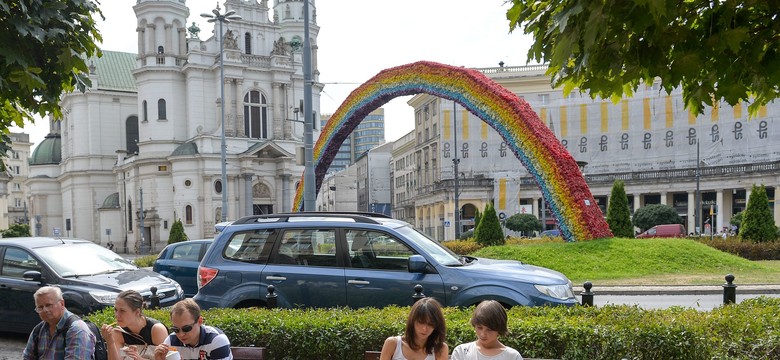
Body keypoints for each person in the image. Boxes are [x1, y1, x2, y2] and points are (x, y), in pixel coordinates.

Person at [22, 286, 97, 359]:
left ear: (62, 304)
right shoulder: (38, 330)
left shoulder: (77, 330)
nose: (45, 310)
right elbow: (27, 357)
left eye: (48, 305)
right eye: (40, 307)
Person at [153, 299, 232, 360]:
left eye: (186, 328)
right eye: (176, 329)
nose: (181, 334)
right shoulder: (171, 341)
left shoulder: (216, 340)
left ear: (200, 321)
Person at [100, 290, 168, 359]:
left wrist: (139, 358)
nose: (117, 315)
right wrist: (110, 342)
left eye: (122, 311)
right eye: (116, 310)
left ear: (137, 312)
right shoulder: (118, 332)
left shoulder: (157, 330)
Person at [379, 297, 448, 360]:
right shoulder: (393, 343)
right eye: (421, 322)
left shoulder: (440, 349)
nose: (424, 328)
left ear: (437, 325)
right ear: (412, 321)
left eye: (430, 324)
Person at [451, 300, 523, 360]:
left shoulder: (512, 356)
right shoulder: (461, 352)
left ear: (499, 329)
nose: (483, 334)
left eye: (489, 330)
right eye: (479, 328)